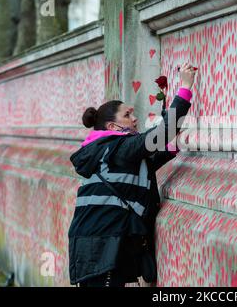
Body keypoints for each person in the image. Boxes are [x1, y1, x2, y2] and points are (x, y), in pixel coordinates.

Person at [68, 63, 197, 287]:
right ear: (113, 126)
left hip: (99, 242)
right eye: (128, 115)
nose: (135, 118)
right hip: (102, 245)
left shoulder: (108, 151)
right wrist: (185, 86)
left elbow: (149, 160)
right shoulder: (119, 147)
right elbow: (161, 133)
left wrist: (177, 143)